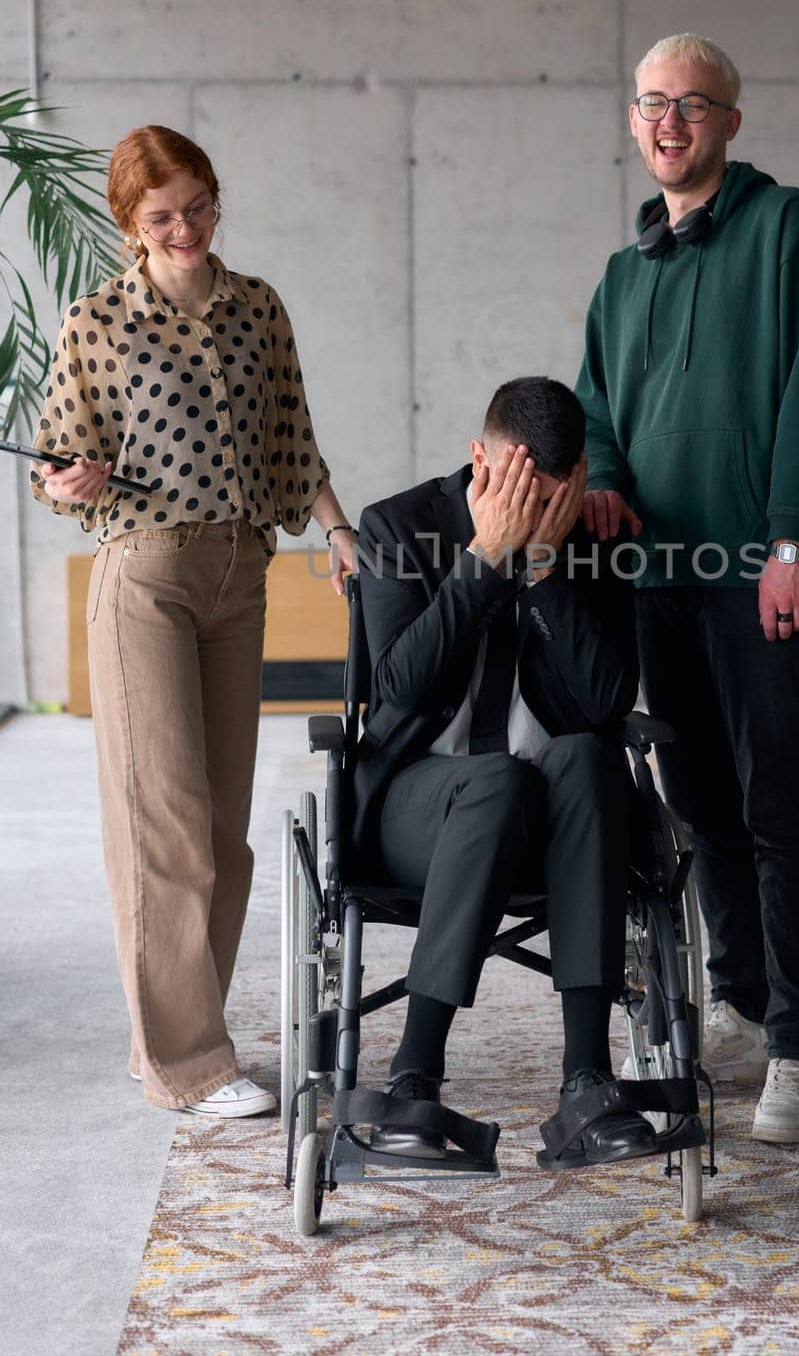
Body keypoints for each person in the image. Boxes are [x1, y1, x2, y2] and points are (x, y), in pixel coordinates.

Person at [30, 125, 356, 1116]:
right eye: (160, 215)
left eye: (199, 207)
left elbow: (292, 435)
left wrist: (338, 533)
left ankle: (166, 1036)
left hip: (239, 573)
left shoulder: (257, 308)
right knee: (164, 825)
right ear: (130, 222)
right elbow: (58, 469)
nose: (184, 228)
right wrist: (71, 478)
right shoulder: (97, 322)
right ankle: (191, 1063)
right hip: (145, 577)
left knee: (223, 831)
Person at [575, 32, 799, 1145]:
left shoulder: (787, 230)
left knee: (778, 804)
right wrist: (598, 478)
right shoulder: (620, 272)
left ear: (730, 122)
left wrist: (792, 540)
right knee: (699, 803)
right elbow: (596, 404)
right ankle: (737, 997)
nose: (669, 122)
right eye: (651, 103)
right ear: (632, 120)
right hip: (661, 579)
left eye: (692, 103)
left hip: (759, 574)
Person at [354, 376, 656, 1167]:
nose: (533, 510)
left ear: (579, 481)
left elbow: (603, 700)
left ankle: (587, 1082)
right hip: (421, 809)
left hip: (554, 819)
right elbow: (396, 691)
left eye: (551, 496)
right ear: (478, 460)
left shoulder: (589, 538)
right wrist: (485, 559)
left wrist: (550, 565)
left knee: (588, 756)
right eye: (518, 490)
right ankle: (413, 1078)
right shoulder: (398, 526)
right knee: (496, 779)